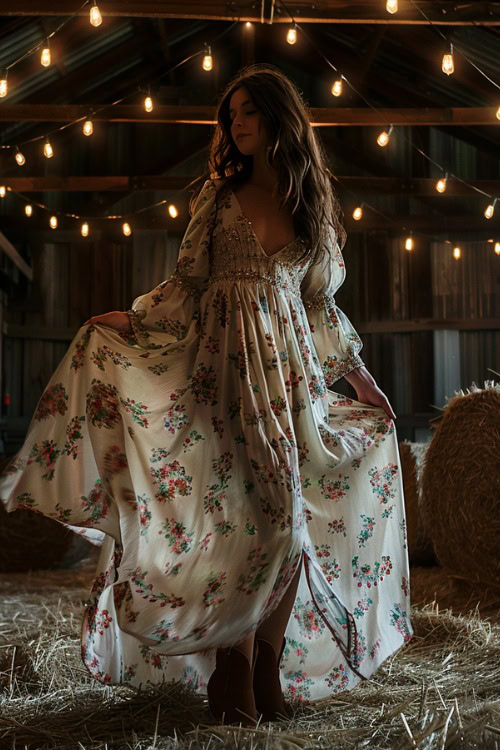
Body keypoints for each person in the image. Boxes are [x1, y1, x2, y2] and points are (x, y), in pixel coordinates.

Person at [0, 64, 413, 727]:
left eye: (248, 112)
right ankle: (233, 674)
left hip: (289, 389)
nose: (235, 124)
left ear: (278, 119)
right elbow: (186, 290)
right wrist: (130, 322)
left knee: (289, 528)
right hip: (218, 382)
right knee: (240, 530)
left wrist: (363, 381)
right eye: (231, 115)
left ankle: (264, 669)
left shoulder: (311, 207)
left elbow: (321, 313)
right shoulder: (218, 200)